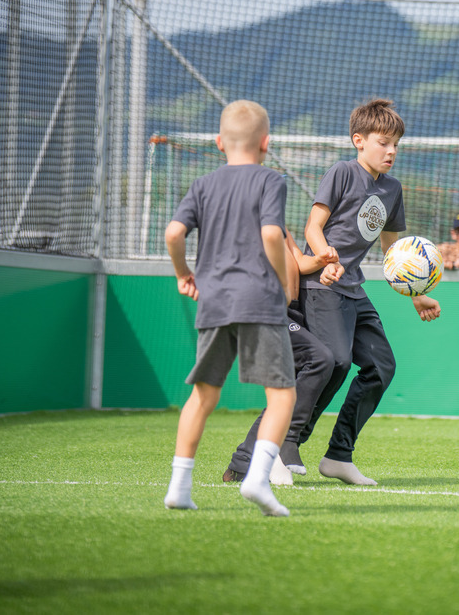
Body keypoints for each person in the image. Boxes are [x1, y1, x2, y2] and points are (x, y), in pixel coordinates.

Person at [297, 98, 441, 486]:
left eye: (397, 144)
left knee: (381, 367)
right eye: (383, 142)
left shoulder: (392, 189)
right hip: (320, 285)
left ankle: (339, 456)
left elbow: (395, 253)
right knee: (336, 363)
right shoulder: (342, 172)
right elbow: (313, 227)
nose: (392, 151)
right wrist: (324, 257)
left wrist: (418, 294)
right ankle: (286, 445)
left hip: (354, 290)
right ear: (359, 140)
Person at [162, 100, 296, 517]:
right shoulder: (270, 181)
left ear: (219, 142)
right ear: (266, 143)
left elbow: (172, 232)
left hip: (215, 300)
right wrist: (282, 280)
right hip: (259, 299)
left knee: (203, 396)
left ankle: (179, 488)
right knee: (282, 396)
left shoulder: (201, 185)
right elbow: (272, 233)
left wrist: (185, 273)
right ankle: (257, 479)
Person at [223, 229, 337, 482]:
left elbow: (298, 259)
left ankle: (242, 463)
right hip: (267, 310)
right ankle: (286, 439)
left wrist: (322, 261)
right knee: (319, 358)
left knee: (287, 392)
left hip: (292, 311)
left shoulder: (278, 225)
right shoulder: (250, 224)